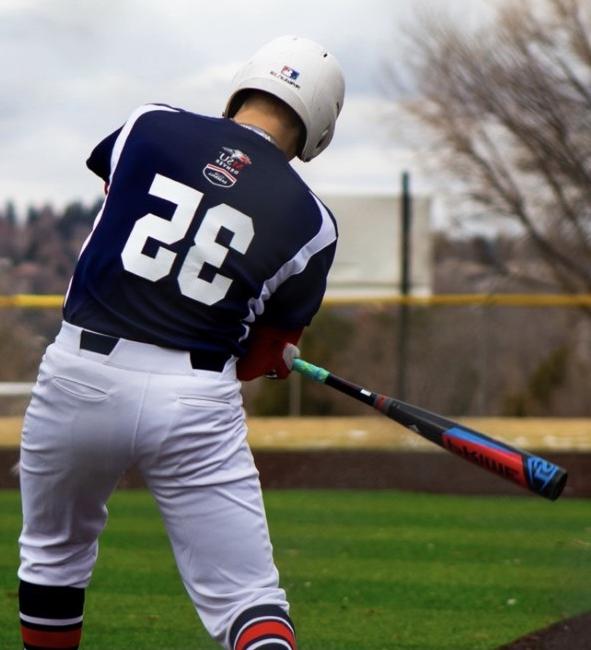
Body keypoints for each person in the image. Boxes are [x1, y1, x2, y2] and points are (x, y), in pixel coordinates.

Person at [17, 35, 345, 650]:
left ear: (244, 85)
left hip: (81, 372)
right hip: (195, 399)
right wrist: (273, 355)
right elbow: (258, 356)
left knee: (54, 561)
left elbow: (123, 193)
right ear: (319, 128)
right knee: (250, 601)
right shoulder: (315, 223)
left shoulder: (150, 123)